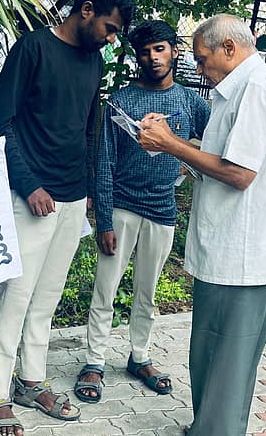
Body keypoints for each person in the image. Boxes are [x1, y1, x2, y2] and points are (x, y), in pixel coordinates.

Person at [0, 0, 134, 436]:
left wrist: (86, 193)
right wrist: (29, 185)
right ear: (86, 10)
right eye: (109, 27)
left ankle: (31, 381)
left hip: (71, 199)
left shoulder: (94, 62)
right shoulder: (32, 49)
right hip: (31, 196)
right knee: (16, 296)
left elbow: (88, 131)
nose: (111, 39)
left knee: (47, 298)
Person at [137, 14, 266, 435]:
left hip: (248, 255)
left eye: (203, 58)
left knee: (229, 361)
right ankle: (206, 426)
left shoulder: (256, 87)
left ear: (229, 47)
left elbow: (240, 172)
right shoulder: (239, 89)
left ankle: (217, 430)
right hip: (230, 249)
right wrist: (179, 143)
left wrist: (172, 145)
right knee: (209, 352)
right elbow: (224, 160)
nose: (200, 67)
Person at [74, 20, 210, 403]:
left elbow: (219, 136)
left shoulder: (188, 101)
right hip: (121, 207)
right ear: (137, 56)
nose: (152, 58)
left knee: (146, 292)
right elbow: (103, 162)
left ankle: (140, 356)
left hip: (163, 208)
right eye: (145, 51)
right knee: (105, 288)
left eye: (160, 49)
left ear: (174, 51)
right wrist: (102, 219)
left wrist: (192, 159)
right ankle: (94, 361)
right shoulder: (122, 100)